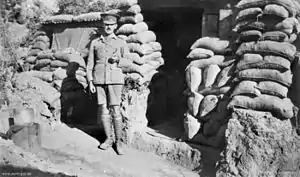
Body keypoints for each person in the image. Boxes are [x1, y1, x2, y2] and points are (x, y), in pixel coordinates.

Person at [86, 12, 129, 155]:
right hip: (99, 80)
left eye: (111, 25)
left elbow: (128, 62)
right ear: (102, 25)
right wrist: (90, 81)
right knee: (103, 109)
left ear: (116, 26)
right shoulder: (95, 43)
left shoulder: (121, 42)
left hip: (115, 80)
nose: (108, 27)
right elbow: (90, 63)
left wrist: (118, 61)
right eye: (106, 25)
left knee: (115, 110)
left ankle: (119, 142)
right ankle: (108, 139)